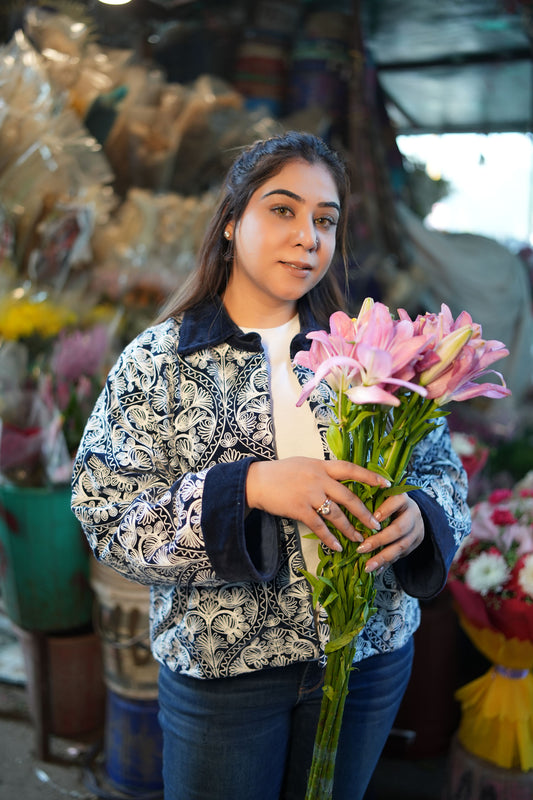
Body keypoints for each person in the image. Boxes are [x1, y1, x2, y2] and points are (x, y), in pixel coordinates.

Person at [71, 131, 470, 800]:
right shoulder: (162, 360)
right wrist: (249, 486)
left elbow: (443, 476)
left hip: (366, 658)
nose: (307, 236)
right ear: (230, 222)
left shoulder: (369, 348)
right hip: (224, 673)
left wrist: (419, 517)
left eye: (325, 219)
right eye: (281, 210)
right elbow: (107, 517)